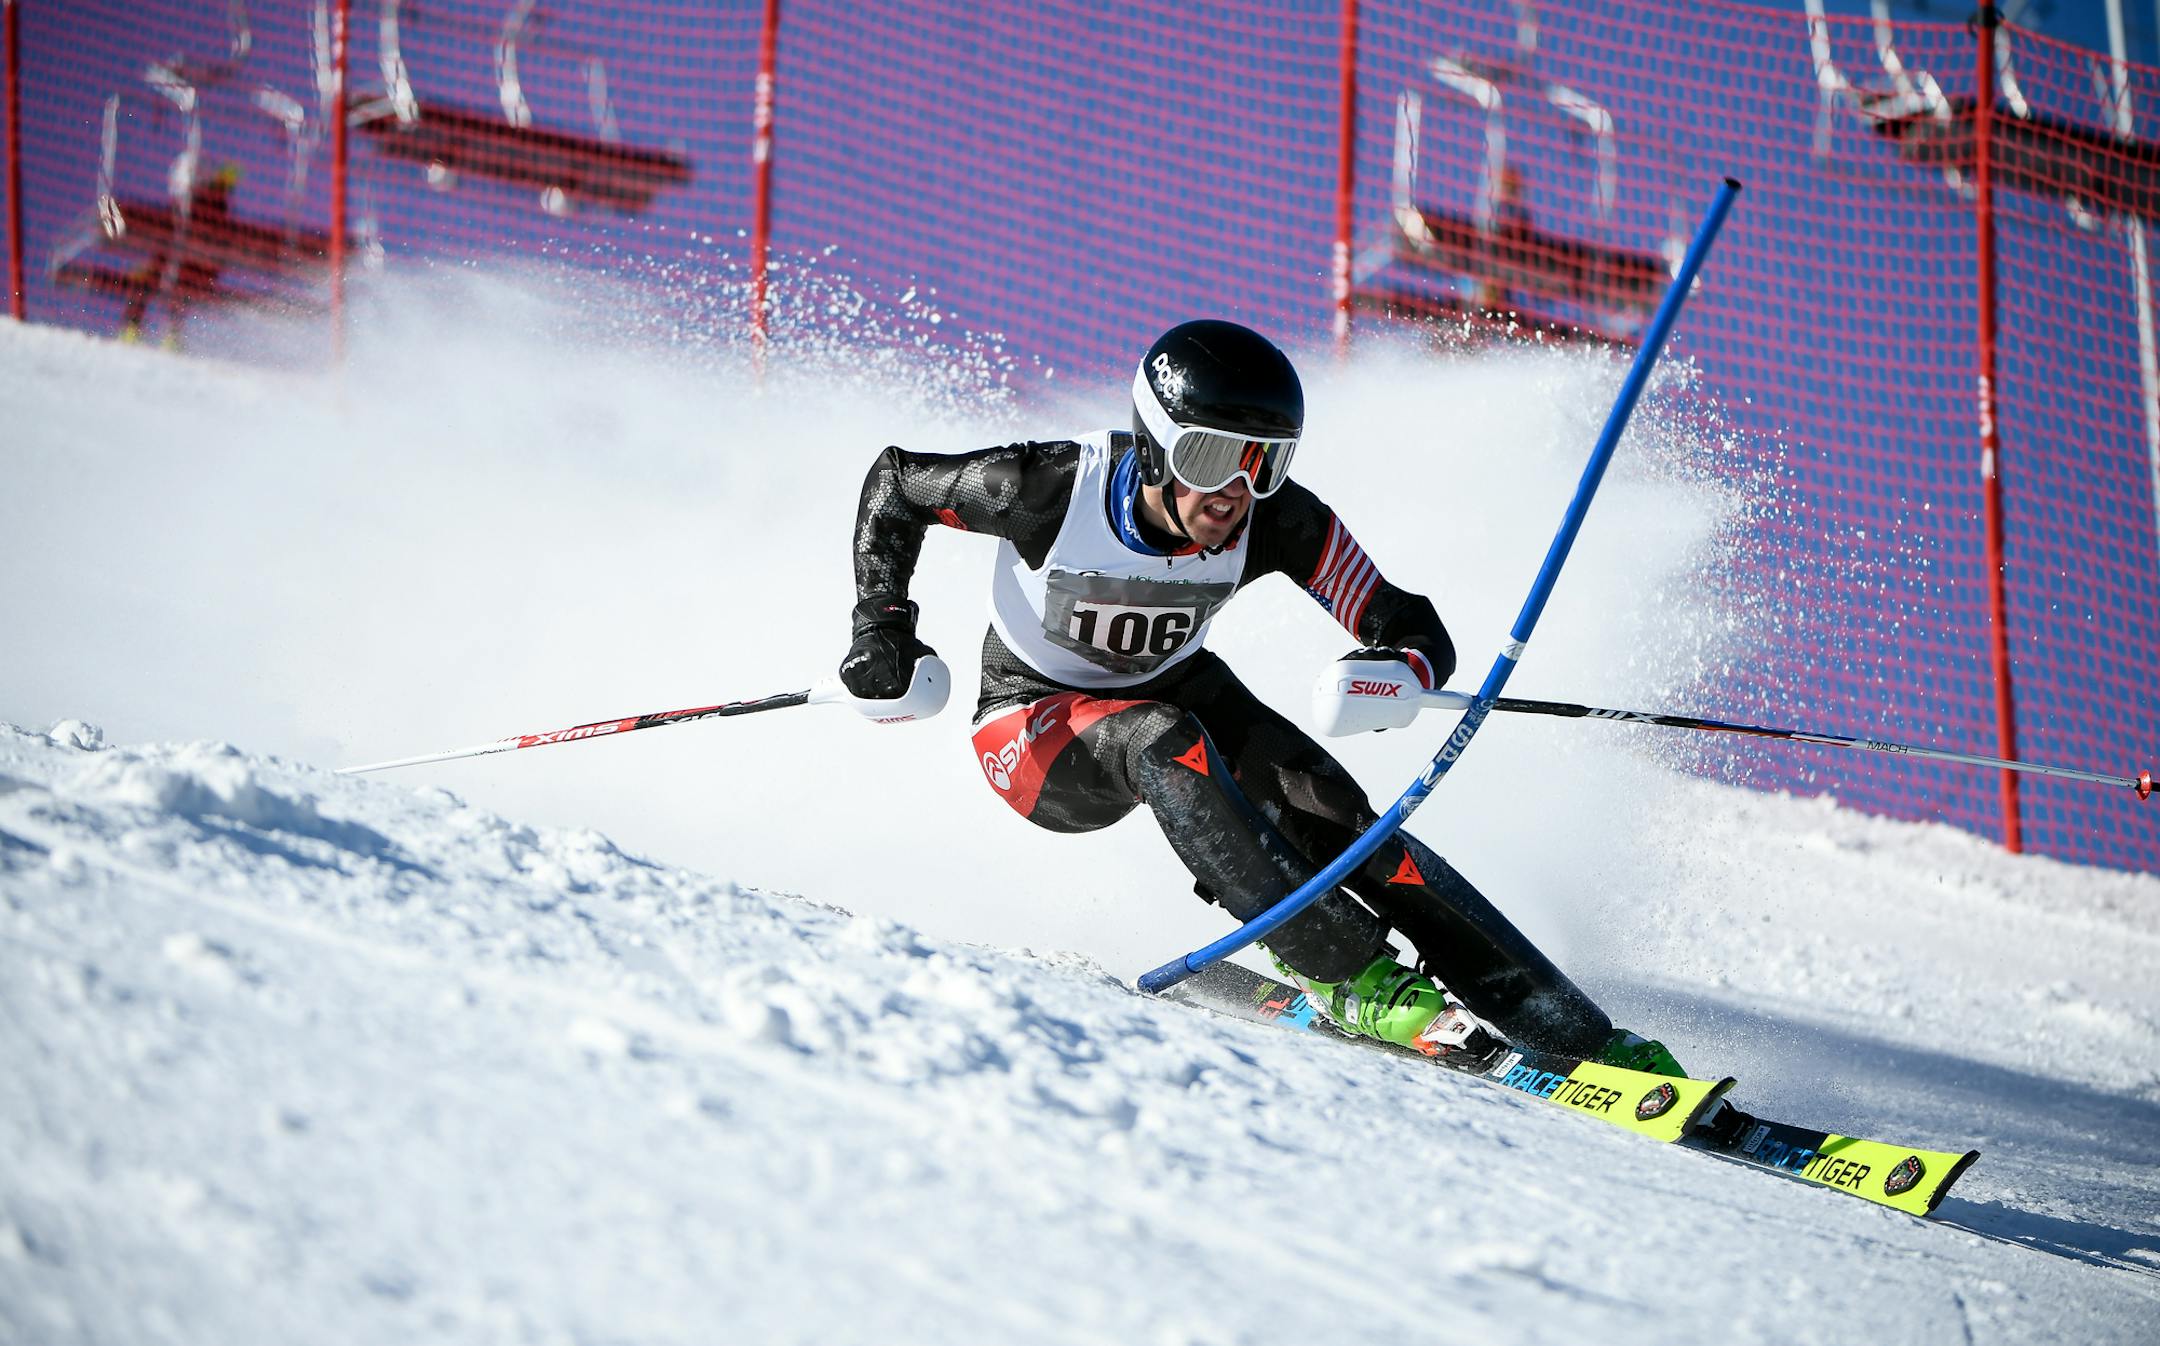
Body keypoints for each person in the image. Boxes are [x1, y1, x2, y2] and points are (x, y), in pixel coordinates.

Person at [838, 318, 1680, 1074]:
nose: (1236, 489)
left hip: (1175, 690)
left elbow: (1403, 619)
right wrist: (881, 626)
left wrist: (1398, 670)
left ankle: (1561, 1022)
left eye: (1264, 462)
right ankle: (1344, 972)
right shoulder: (1044, 487)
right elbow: (897, 486)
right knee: (1159, 737)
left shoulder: (1275, 521)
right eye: (1210, 455)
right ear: (1156, 444)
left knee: (1339, 815)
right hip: (1033, 722)